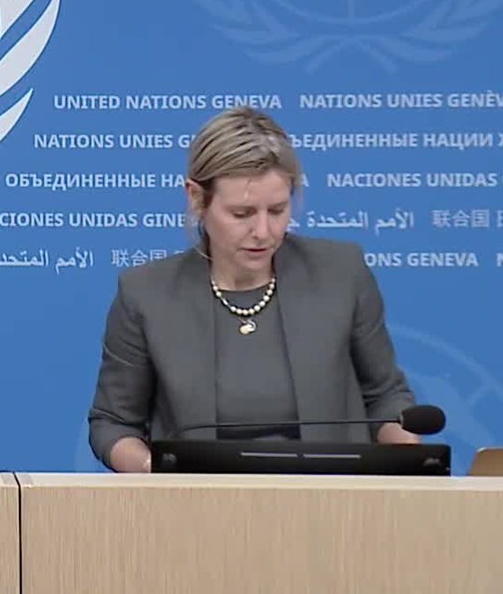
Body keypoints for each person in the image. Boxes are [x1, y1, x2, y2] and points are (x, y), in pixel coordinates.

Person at [87, 105, 419, 472]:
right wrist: (158, 472)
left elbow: (385, 399)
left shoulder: (342, 273)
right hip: (200, 501)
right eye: (242, 214)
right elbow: (113, 424)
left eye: (277, 210)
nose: (263, 232)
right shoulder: (146, 294)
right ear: (196, 199)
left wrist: (413, 461)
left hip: (332, 497)